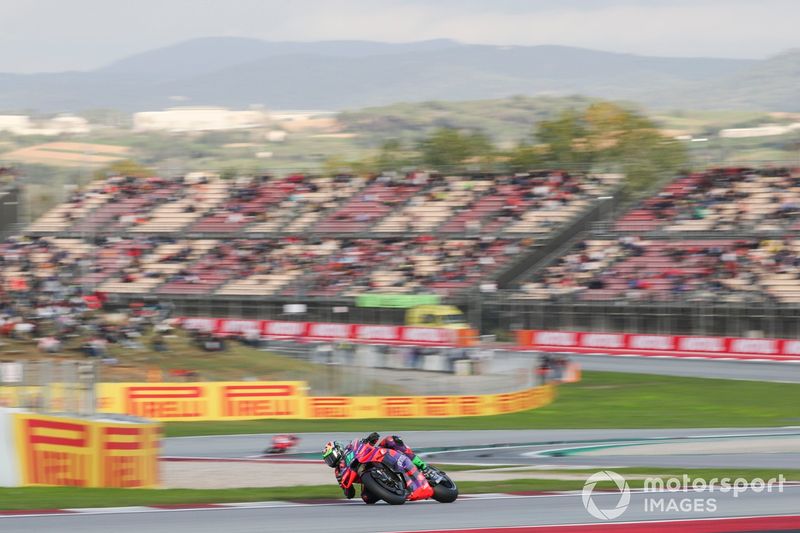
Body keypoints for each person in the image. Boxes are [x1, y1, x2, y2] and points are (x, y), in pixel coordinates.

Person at [323, 432, 432, 502]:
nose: (330, 461)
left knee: (391, 440)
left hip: (376, 457)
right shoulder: (338, 472)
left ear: (337, 450)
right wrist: (347, 490)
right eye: (328, 460)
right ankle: (390, 490)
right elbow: (349, 493)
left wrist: (370, 439)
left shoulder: (350, 447)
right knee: (367, 498)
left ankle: (423, 466)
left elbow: (368, 441)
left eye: (331, 457)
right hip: (365, 476)